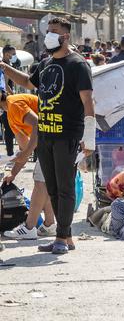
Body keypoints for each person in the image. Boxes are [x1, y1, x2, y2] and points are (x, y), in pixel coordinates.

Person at [0, 17, 95, 255]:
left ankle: (62, 237)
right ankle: (66, 237)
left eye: (54, 32)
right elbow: (27, 83)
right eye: (48, 31)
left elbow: (88, 102)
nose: (49, 35)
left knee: (65, 188)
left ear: (66, 36)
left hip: (67, 135)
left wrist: (90, 138)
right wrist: (4, 67)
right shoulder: (46, 63)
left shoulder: (78, 65)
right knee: (52, 188)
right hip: (45, 135)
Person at [2, 93, 56, 240]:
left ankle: (29, 227)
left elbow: (38, 125)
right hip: (49, 142)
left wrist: (26, 153)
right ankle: (50, 225)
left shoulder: (13, 104)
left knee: (40, 183)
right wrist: (13, 173)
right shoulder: (10, 116)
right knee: (44, 183)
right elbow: (24, 148)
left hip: (55, 139)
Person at [1, 45, 18, 156]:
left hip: (4, 99)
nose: (14, 56)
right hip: (5, 100)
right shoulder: (5, 66)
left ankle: (10, 153)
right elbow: (5, 85)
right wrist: (14, 96)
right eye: (13, 53)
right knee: (9, 127)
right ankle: (10, 153)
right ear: (7, 54)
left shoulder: (5, 65)